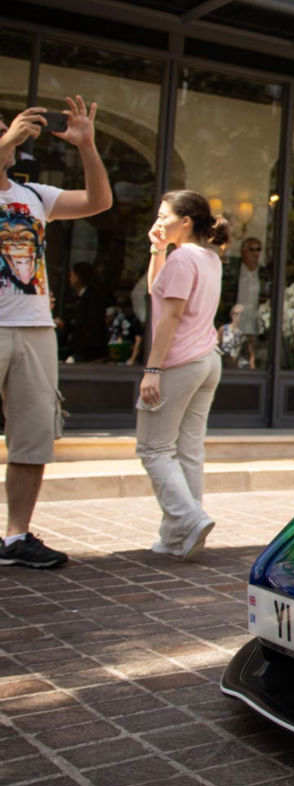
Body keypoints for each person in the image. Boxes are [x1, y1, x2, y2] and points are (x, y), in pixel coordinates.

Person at [0, 98, 111, 569]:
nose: (10, 132)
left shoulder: (34, 196)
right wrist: (7, 141)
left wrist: (87, 146)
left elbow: (98, 201)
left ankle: (15, 538)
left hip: (35, 330)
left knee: (32, 436)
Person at [138, 190, 226, 560]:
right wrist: (158, 250)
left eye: (164, 216)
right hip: (207, 361)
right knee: (188, 450)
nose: (158, 222)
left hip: (180, 362)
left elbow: (169, 317)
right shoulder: (208, 257)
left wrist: (152, 369)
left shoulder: (183, 260)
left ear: (185, 221)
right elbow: (155, 291)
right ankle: (178, 538)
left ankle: (188, 520)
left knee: (153, 449)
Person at [221, 235, 267, 365]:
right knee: (232, 360)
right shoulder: (233, 272)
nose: (255, 253)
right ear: (243, 252)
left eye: (258, 249)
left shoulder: (264, 274)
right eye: (251, 249)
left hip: (255, 326)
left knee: (252, 360)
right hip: (235, 325)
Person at [66, 262, 109, 362]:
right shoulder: (83, 296)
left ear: (78, 277)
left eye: (72, 275)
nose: (70, 278)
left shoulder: (91, 297)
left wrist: (67, 325)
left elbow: (88, 322)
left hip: (89, 349)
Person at [217, 304, 253, 368]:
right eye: (235, 313)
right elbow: (216, 345)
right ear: (231, 314)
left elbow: (250, 353)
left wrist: (252, 368)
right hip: (224, 362)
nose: (237, 316)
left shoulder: (244, 332)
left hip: (238, 365)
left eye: (240, 314)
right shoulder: (223, 329)